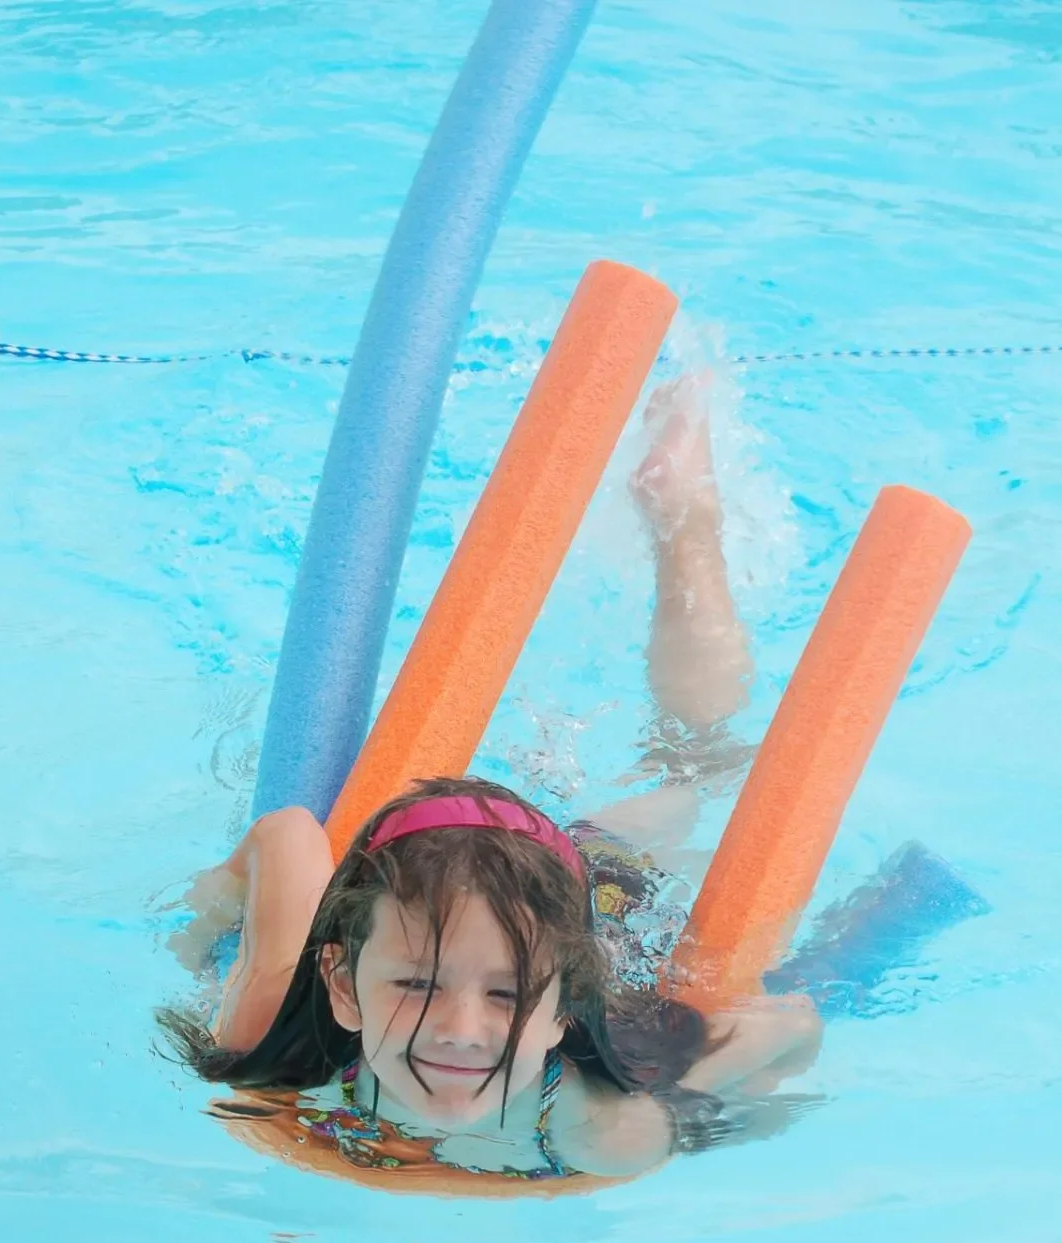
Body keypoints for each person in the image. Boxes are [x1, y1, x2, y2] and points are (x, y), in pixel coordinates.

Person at [161, 373, 822, 1185]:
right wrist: (198, 926)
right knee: (686, 765)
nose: (461, 1030)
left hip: (605, 896)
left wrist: (741, 1086)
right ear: (338, 984)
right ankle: (681, 515)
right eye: (413, 983)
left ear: (559, 1016)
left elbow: (789, 1025)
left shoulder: (602, 1130)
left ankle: (687, 519)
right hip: (554, 894)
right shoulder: (276, 1022)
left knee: (693, 769)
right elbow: (284, 837)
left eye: (508, 999)